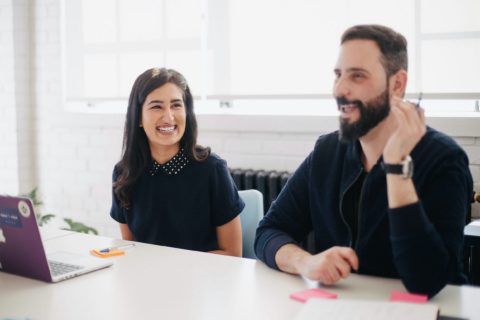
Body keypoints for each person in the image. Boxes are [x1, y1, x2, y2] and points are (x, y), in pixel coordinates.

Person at [254, 24, 472, 297]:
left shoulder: (444, 160)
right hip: (338, 306)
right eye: (338, 75)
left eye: (357, 76)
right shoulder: (327, 151)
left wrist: (396, 167)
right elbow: (268, 232)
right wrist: (306, 262)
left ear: (397, 84)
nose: (340, 89)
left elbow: (427, 281)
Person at [110, 67, 244, 257]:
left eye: (176, 105)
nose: (169, 117)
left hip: (204, 280)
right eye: (156, 106)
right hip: (148, 280)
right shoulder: (124, 173)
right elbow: (132, 249)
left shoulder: (212, 170)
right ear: (138, 117)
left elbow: (233, 253)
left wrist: (171, 268)